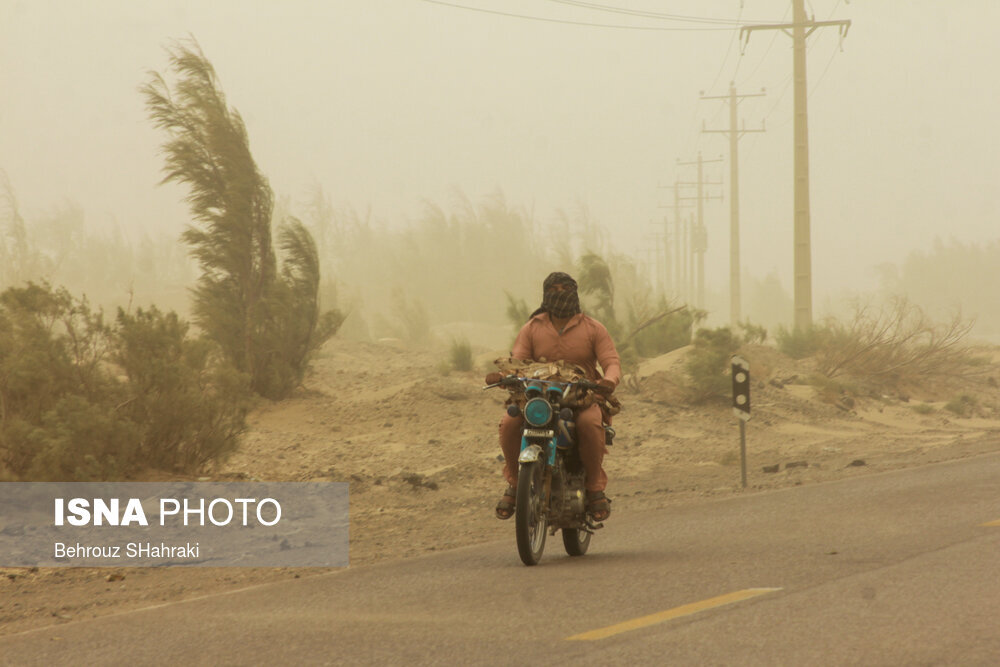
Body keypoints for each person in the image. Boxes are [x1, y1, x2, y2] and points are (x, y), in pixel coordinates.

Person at [488, 272, 621, 522]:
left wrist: (608, 381)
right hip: (537, 396)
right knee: (509, 423)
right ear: (545, 294)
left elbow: (611, 362)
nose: (560, 294)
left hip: (581, 395)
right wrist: (505, 375)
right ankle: (516, 485)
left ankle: (594, 489)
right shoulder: (532, 327)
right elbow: (518, 361)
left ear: (575, 293)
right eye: (554, 289)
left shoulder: (594, 329)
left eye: (565, 288)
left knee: (589, 424)